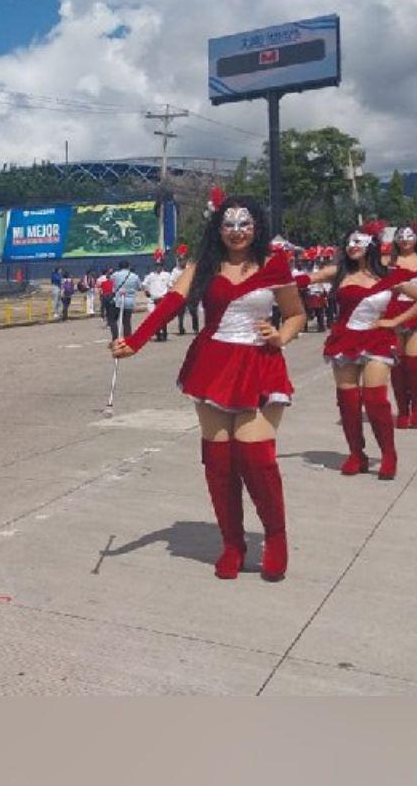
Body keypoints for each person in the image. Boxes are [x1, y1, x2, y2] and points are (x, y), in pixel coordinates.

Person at [112, 194, 306, 582]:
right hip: (212, 365)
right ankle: (232, 543)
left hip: (259, 366)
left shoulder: (274, 264)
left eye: (245, 224)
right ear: (218, 227)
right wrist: (136, 341)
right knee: (219, 464)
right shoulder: (203, 265)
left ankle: (276, 537)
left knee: (257, 458)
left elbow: (296, 314)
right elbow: (171, 302)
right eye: (229, 224)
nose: (237, 232)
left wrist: (280, 336)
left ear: (257, 226)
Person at [309, 223, 417, 478]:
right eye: (349, 242)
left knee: (375, 399)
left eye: (359, 241)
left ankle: (389, 454)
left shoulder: (388, 276)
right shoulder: (339, 272)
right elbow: (303, 278)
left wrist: (394, 322)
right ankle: (357, 454)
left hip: (377, 338)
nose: (352, 246)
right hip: (344, 340)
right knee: (348, 402)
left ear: (371, 246)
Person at [384, 224, 417, 428]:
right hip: (394, 313)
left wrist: (416, 291)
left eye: (409, 236)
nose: (405, 240)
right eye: (401, 236)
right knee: (398, 364)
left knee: (413, 363)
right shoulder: (388, 262)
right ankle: (403, 410)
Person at [107, 261, 140, 343]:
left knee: (113, 320)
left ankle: (115, 338)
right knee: (127, 321)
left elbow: (109, 278)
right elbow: (138, 287)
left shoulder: (116, 274)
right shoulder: (134, 276)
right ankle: (128, 339)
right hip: (129, 301)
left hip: (118, 300)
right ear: (128, 266)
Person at [143, 256, 173, 342]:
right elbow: (144, 284)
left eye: (159, 265)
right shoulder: (150, 275)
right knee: (154, 319)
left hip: (163, 299)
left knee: (162, 318)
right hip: (152, 300)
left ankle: (164, 333)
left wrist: (169, 294)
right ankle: (157, 334)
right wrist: (146, 291)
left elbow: (170, 285)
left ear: (162, 266)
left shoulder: (167, 275)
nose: (158, 267)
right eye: (156, 265)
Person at [170, 245, 199, 335]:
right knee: (180, 313)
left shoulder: (190, 269)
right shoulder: (175, 271)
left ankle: (195, 328)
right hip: (180, 293)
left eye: (183, 260)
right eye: (180, 260)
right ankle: (181, 328)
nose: (181, 262)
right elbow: (171, 282)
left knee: (193, 311)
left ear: (186, 260)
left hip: (190, 293)